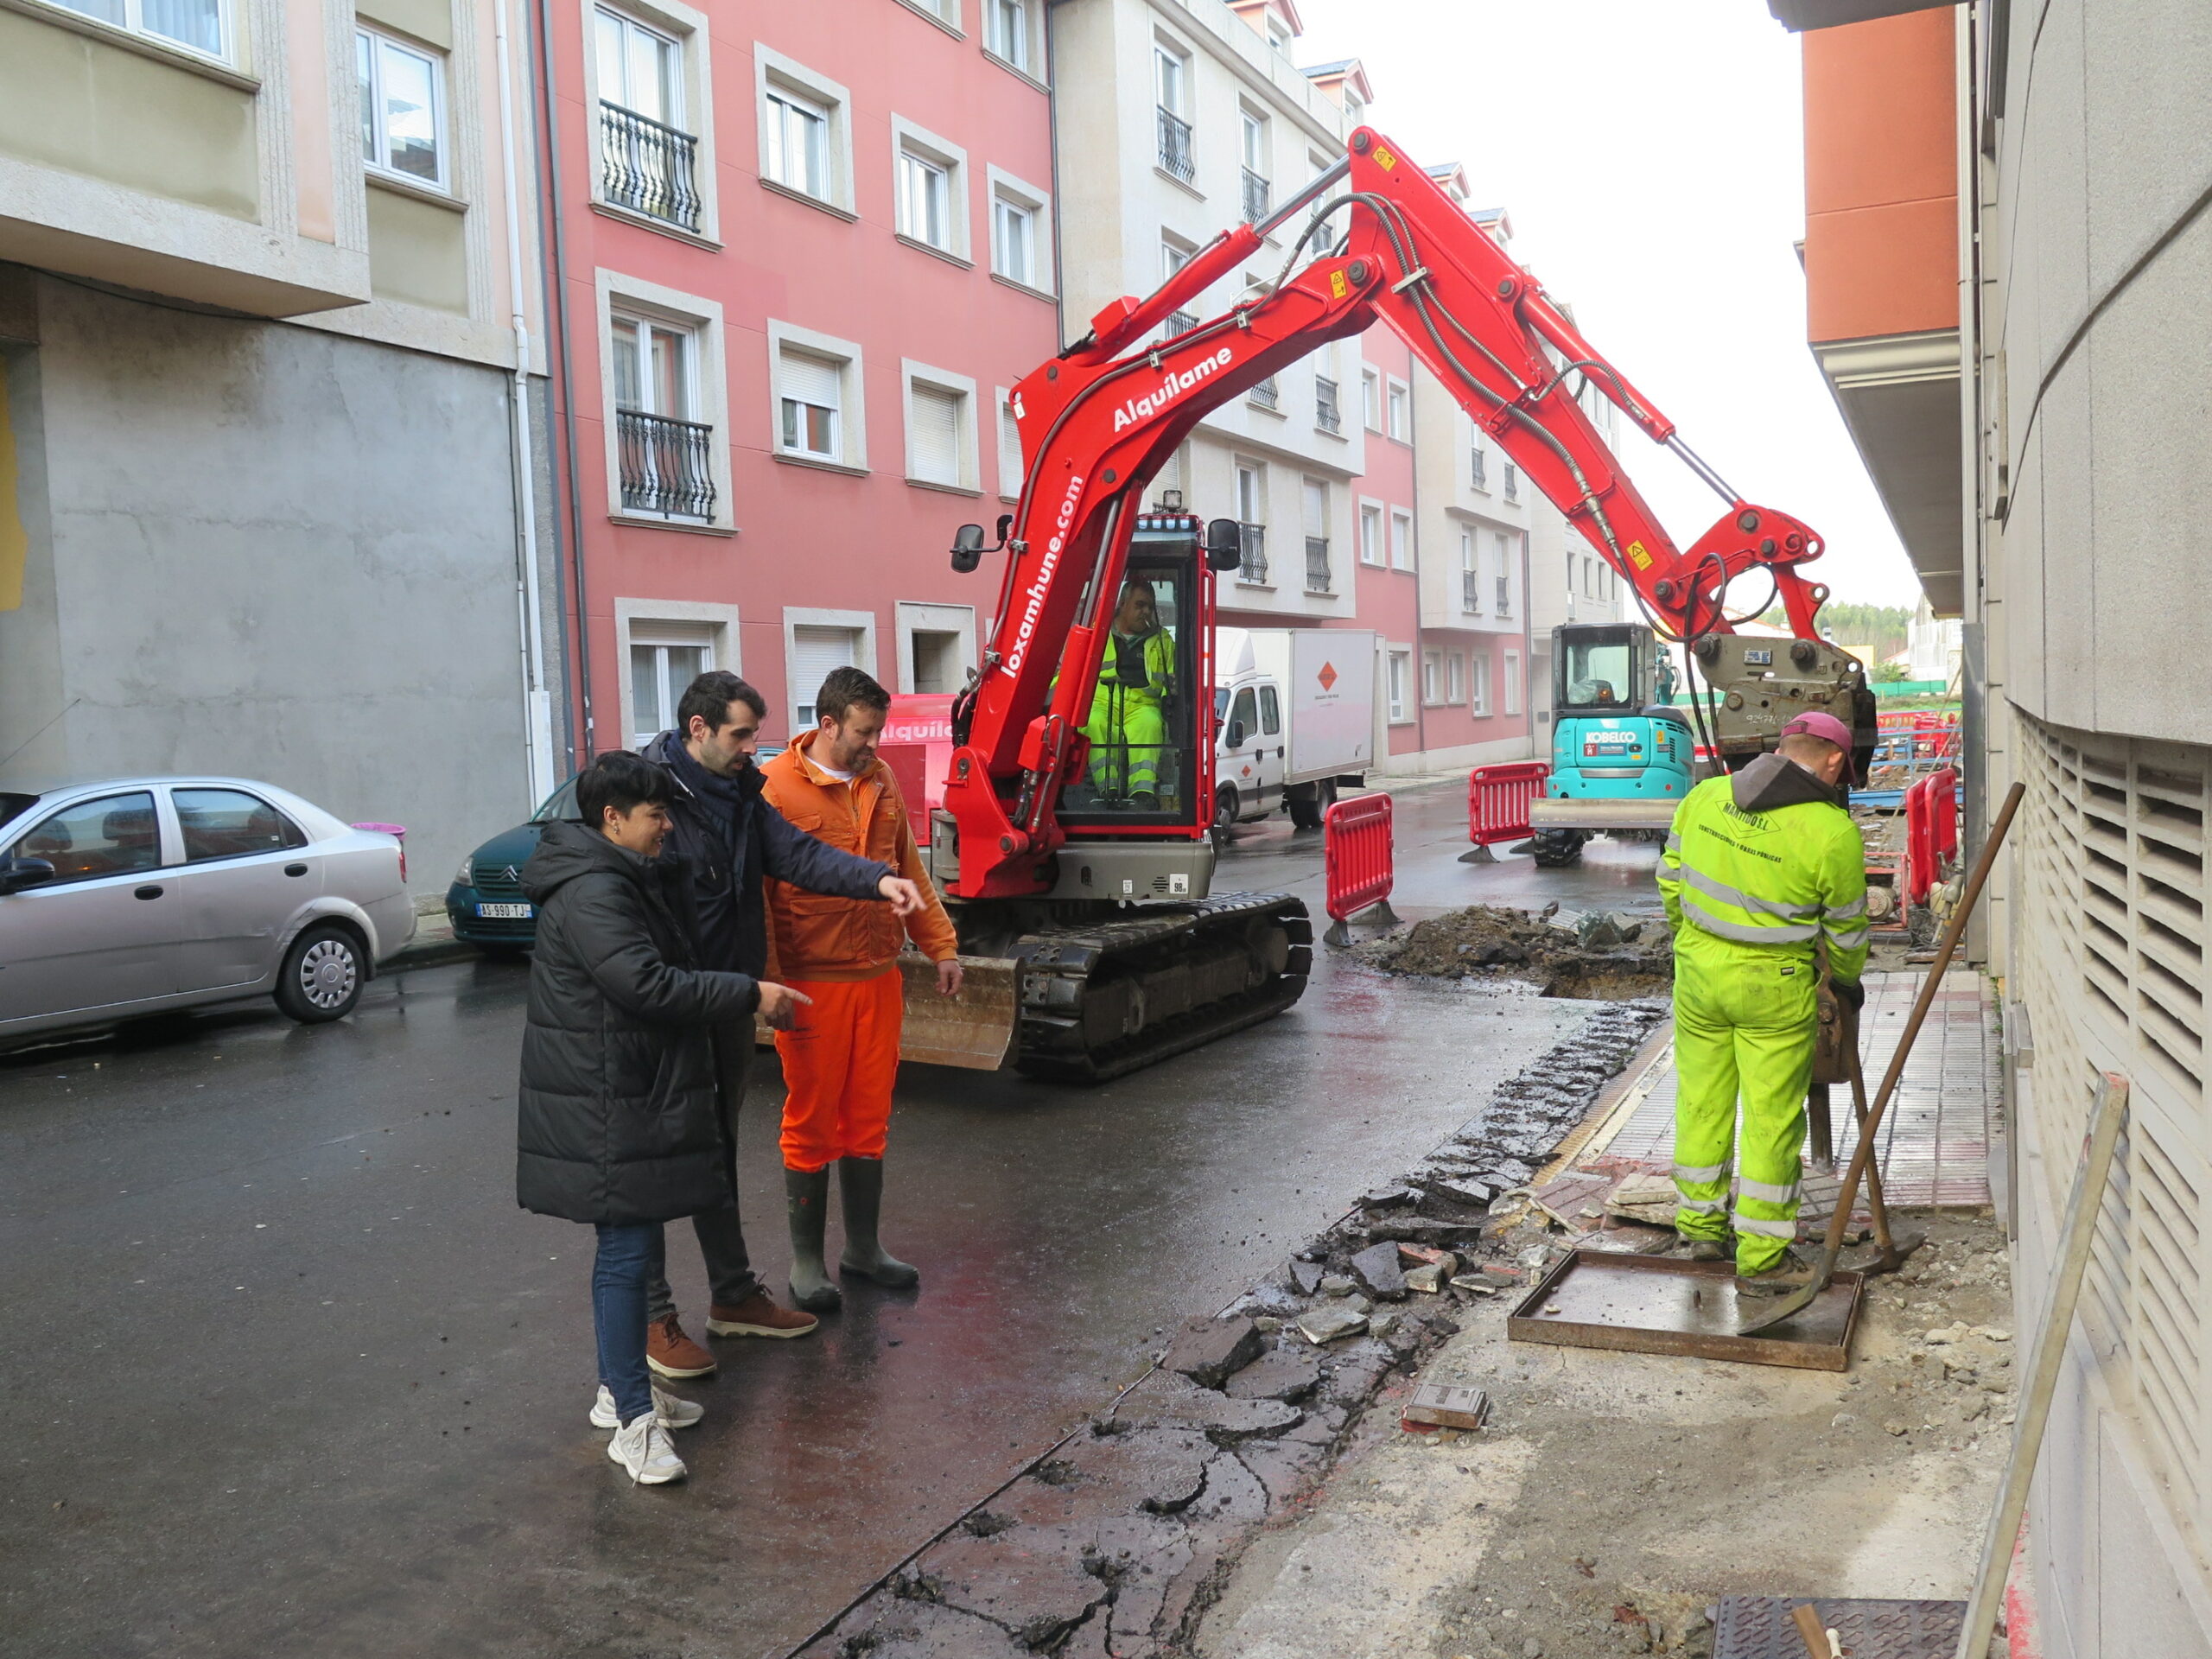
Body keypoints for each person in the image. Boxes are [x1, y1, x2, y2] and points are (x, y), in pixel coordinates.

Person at [515, 753, 805, 1484]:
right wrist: (747, 993)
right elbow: (643, 984)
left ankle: (621, 1396)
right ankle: (635, 1424)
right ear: (611, 819)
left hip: (621, 1087)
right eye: (654, 815)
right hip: (605, 1098)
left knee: (633, 1251)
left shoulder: (620, 878)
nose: (666, 826)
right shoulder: (592, 893)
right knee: (624, 1254)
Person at [635, 671, 925, 1377]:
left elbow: (797, 855)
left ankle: (732, 1296)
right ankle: (648, 1318)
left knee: (719, 1152)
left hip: (728, 998)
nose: (751, 750)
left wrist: (873, 880)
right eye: (740, 736)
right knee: (644, 1167)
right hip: (667, 1004)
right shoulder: (647, 798)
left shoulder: (739, 791)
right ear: (698, 729)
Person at [760, 666, 963, 1313]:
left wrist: (941, 944)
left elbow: (908, 870)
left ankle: (863, 1250)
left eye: (879, 730)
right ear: (827, 724)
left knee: (867, 1119)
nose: (875, 744)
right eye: (865, 732)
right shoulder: (773, 788)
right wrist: (765, 985)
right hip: (811, 982)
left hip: (878, 977)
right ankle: (806, 1262)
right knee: (812, 1118)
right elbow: (759, 897)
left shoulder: (881, 781)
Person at [1655, 710, 1869, 1295]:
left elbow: (1670, 878)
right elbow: (1847, 934)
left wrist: (1693, 939)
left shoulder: (1704, 797)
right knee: (1771, 1120)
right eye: (1842, 772)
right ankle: (1764, 1258)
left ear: (1783, 746)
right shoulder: (1832, 832)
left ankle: (1700, 1228)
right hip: (1772, 991)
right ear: (1830, 761)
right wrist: (1845, 984)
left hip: (1698, 975)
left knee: (1701, 1100)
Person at [1082, 580, 1176, 808]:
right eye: (1140, 605)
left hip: (1143, 704)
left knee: (1150, 724)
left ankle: (1142, 793)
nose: (1146, 612)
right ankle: (1107, 790)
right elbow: (1070, 671)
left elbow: (1173, 680)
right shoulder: (1096, 634)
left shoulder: (1162, 640)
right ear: (1122, 604)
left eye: (1150, 607)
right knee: (1094, 722)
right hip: (1102, 702)